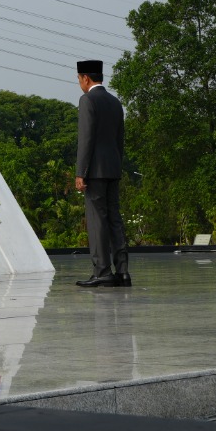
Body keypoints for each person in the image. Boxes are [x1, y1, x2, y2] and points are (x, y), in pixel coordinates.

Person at [73, 60, 129, 288]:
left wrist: (81, 172)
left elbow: (86, 139)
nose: (79, 83)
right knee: (114, 218)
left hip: (94, 171)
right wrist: (116, 166)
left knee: (96, 221)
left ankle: (102, 271)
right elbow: (119, 140)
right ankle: (123, 272)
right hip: (113, 169)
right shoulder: (115, 102)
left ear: (85, 78)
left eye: (79, 79)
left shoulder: (87, 100)